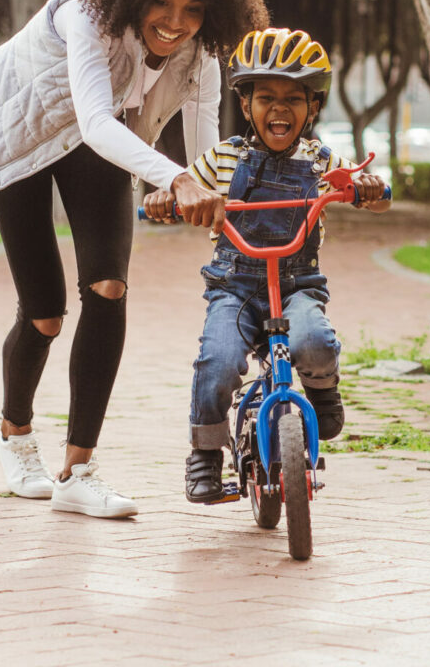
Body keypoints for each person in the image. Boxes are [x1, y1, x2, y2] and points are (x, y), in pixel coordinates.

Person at [0, 0, 267, 518]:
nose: (175, 23)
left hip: (99, 143)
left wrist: (207, 189)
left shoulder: (201, 58)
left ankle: (77, 472)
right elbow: (97, 120)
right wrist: (173, 178)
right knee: (46, 313)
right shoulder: (86, 14)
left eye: (193, 10)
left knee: (108, 287)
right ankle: (15, 434)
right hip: (20, 130)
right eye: (161, 3)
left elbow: (204, 147)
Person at [142, 28, 391, 503]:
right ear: (245, 101)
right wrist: (166, 197)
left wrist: (370, 191)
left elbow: (368, 196)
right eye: (267, 97)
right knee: (217, 362)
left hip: (297, 285)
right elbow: (185, 188)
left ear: (313, 107)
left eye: (294, 98)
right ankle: (207, 454)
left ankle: (320, 391)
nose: (280, 109)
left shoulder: (320, 162)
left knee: (315, 341)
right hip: (235, 287)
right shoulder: (225, 156)